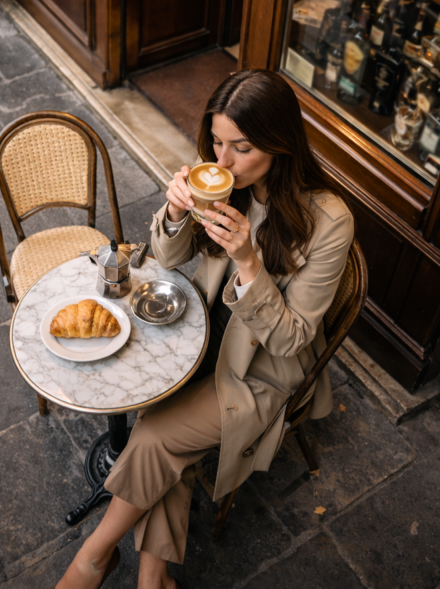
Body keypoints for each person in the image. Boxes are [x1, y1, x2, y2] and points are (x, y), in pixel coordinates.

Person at [56, 69, 354, 589]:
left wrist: (248, 262)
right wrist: (174, 213)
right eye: (215, 141)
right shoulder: (222, 181)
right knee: (169, 441)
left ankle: (94, 556)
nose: (221, 162)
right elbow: (171, 260)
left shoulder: (330, 222)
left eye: (241, 147)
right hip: (196, 337)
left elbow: (291, 340)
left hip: (258, 371)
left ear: (280, 144)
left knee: (153, 435)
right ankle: (155, 580)